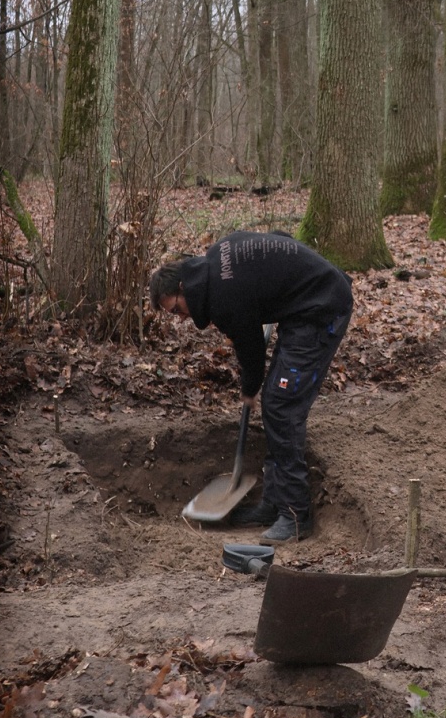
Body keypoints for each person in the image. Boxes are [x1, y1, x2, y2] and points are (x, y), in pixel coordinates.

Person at [150, 232, 352, 543]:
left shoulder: (222, 295)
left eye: (176, 309)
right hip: (301, 307)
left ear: (182, 287)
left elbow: (250, 347)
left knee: (282, 405)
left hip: (321, 308)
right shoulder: (216, 257)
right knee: (276, 401)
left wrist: (249, 388)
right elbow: (278, 238)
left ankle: (295, 515)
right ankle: (274, 503)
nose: (180, 318)